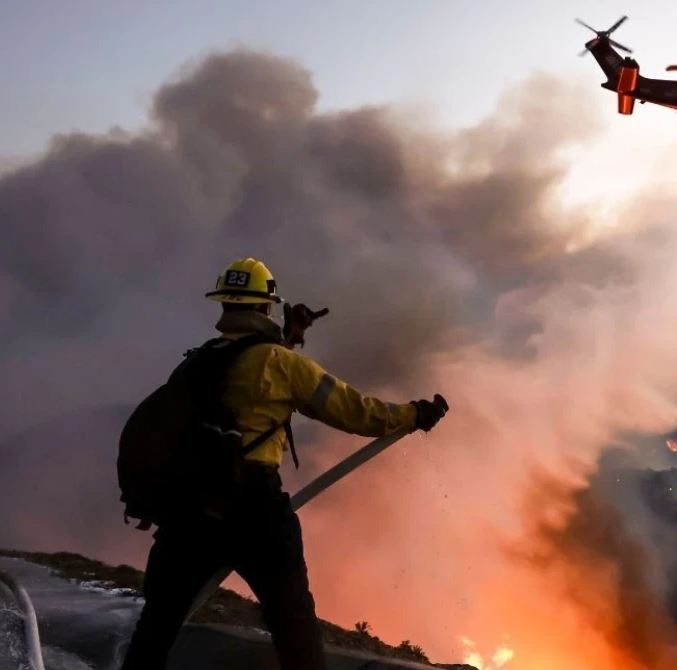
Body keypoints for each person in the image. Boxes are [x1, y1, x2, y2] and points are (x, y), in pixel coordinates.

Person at [120, 257, 447, 670]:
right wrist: (415, 414)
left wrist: (291, 337)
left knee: (155, 629)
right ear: (264, 306)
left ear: (225, 305)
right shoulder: (281, 364)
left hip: (190, 514)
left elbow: (248, 377)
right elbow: (358, 412)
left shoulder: (197, 362)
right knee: (295, 631)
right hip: (254, 511)